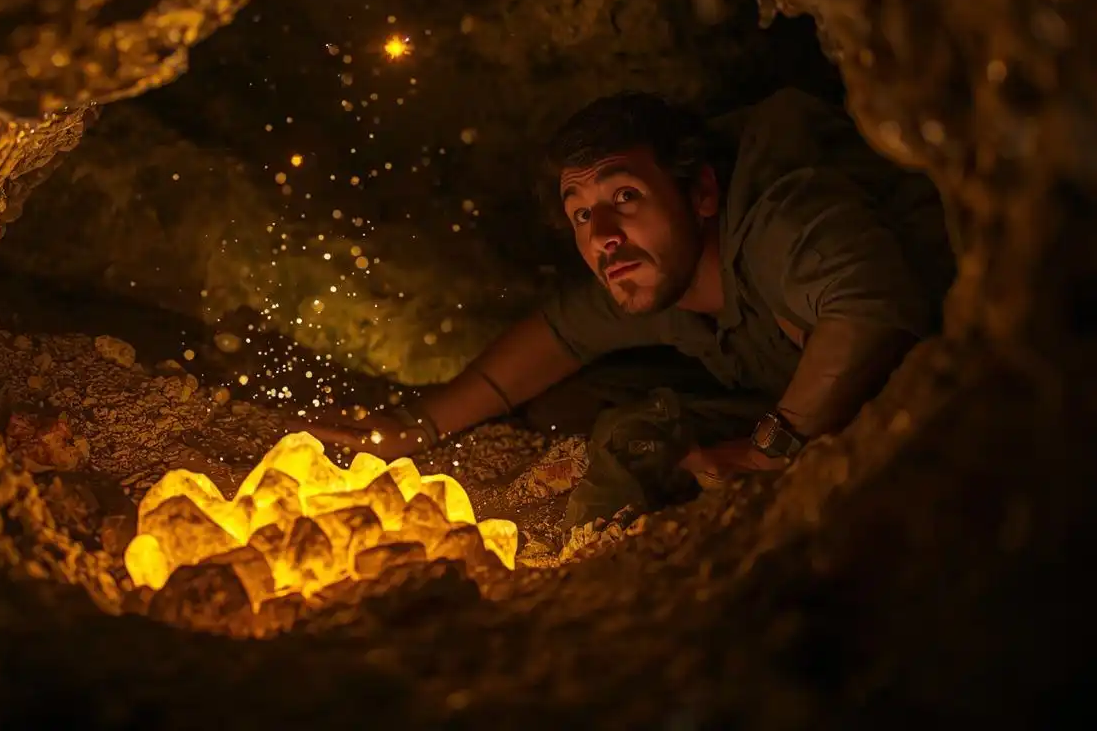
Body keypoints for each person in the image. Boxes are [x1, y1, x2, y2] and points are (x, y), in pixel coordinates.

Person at [308, 88, 957, 530]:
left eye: (625, 194)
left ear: (701, 192)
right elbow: (558, 336)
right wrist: (411, 427)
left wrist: (770, 449)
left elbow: (869, 305)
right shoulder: (650, 274)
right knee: (584, 414)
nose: (603, 234)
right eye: (582, 213)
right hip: (782, 390)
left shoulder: (777, 221)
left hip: (952, 415)